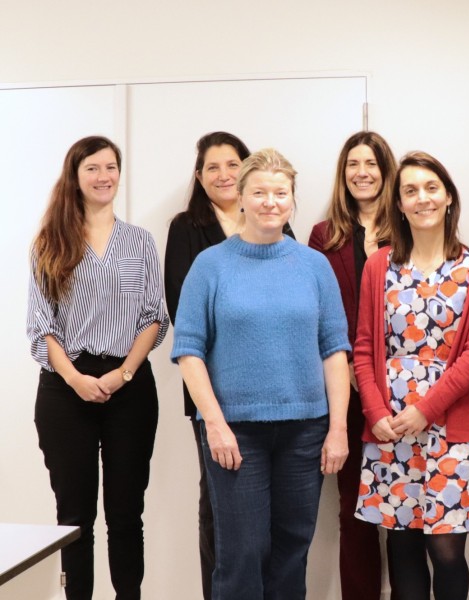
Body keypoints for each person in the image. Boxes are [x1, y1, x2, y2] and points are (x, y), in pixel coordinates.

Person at [171, 148, 350, 599]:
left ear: (292, 200)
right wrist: (214, 424)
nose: (271, 202)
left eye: (281, 193)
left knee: (293, 547)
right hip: (235, 432)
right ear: (243, 197)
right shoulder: (210, 266)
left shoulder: (314, 266)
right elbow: (188, 352)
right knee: (241, 552)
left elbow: (334, 351)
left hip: (305, 430)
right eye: (260, 193)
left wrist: (338, 429)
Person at [27, 135, 169, 600]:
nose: (104, 176)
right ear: (75, 175)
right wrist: (75, 379)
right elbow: (40, 326)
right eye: (92, 168)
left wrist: (123, 373)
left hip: (128, 383)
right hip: (66, 388)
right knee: (74, 516)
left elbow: (154, 316)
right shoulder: (50, 241)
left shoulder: (139, 241)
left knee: (127, 512)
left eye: (111, 167)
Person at [354, 151, 469, 600]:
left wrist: (425, 410)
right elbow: (363, 347)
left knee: (448, 552)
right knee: (402, 547)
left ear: (449, 197)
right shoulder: (378, 265)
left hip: (453, 428)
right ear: (398, 203)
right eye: (410, 190)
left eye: (432, 188)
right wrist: (376, 412)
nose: (422, 199)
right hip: (391, 428)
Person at [164, 131, 294, 600]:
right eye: (212, 166)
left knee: (269, 520)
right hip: (213, 392)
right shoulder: (188, 229)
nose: (223, 173)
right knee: (219, 506)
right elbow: (186, 313)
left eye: (231, 164)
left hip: (277, 394)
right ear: (200, 177)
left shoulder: (274, 220)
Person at [307, 131, 397, 600]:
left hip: (404, 395)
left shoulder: (408, 226)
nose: (362, 172)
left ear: (386, 170)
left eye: (371, 163)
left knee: (405, 511)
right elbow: (321, 317)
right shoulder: (324, 236)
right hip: (348, 391)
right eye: (352, 165)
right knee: (354, 510)